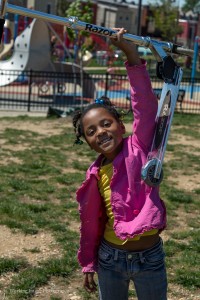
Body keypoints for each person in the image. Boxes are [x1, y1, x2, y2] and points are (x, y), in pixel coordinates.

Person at [72, 28, 167, 300]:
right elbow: (91, 224)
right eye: (91, 131)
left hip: (149, 259)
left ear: (121, 125)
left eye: (106, 123)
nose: (100, 131)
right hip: (109, 259)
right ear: (88, 143)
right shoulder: (94, 174)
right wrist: (89, 262)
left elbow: (144, 105)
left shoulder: (140, 148)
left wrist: (131, 54)